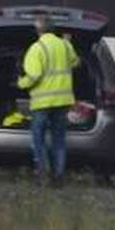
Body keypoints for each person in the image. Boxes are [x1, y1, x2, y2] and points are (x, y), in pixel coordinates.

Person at [17, 15, 79, 185]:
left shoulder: (37, 49)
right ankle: (59, 177)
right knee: (59, 140)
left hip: (42, 103)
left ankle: (43, 174)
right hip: (63, 100)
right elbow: (75, 62)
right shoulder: (65, 45)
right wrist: (68, 43)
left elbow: (34, 75)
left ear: (38, 30)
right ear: (53, 29)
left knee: (38, 139)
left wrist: (21, 83)